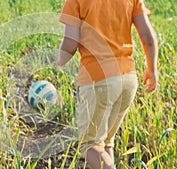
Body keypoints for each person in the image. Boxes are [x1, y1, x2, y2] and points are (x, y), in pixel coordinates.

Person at [57, 0, 158, 168]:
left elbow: (70, 43)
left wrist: (58, 63)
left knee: (90, 145)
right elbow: (147, 36)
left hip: (98, 79)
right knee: (104, 143)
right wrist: (152, 69)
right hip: (128, 78)